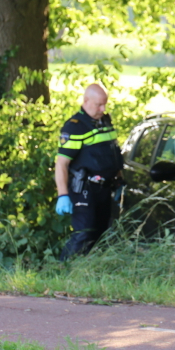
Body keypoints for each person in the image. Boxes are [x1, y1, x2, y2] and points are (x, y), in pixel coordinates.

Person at [55, 84, 124, 261]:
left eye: (105, 105)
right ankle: (63, 271)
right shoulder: (75, 127)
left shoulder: (104, 121)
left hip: (104, 189)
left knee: (101, 234)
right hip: (85, 189)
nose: (103, 109)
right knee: (83, 233)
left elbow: (111, 155)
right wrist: (63, 195)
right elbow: (62, 163)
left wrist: (119, 182)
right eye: (99, 105)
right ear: (86, 101)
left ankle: (87, 274)